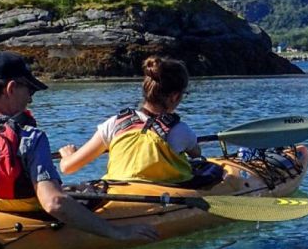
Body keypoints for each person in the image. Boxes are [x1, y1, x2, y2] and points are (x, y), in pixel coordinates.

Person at [0, 51, 158, 242]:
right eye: (30, 90)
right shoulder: (29, 138)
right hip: (18, 231)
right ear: (11, 88)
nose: (31, 99)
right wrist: (116, 232)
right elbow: (54, 203)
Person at [58, 56, 201, 183]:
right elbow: (196, 154)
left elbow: (67, 168)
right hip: (161, 198)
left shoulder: (114, 123)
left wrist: (68, 155)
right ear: (175, 96)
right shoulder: (181, 130)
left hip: (117, 194)